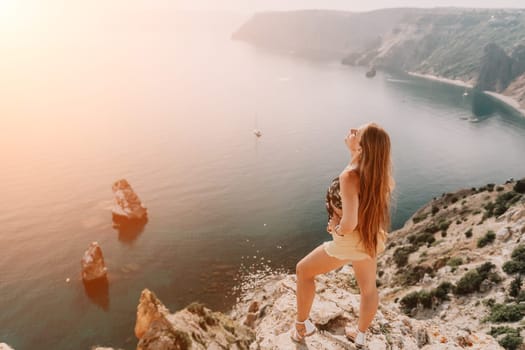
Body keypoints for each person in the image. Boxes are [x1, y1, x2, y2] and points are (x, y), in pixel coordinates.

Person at [290, 122, 394, 348]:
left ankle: (301, 326)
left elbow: (350, 222)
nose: (352, 131)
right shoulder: (379, 176)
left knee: (303, 271)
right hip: (369, 238)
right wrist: (353, 153)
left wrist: (335, 227)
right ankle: (360, 335)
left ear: (363, 147)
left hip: (349, 241)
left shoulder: (349, 176)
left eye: (358, 133)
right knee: (368, 289)